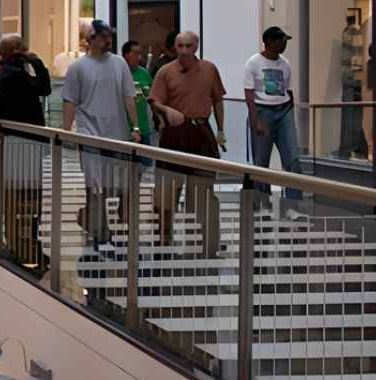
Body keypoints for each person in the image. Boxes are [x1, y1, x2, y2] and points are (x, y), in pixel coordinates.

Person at [61, 20, 140, 249]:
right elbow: (70, 101)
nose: (108, 40)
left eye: (109, 36)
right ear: (91, 40)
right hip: (89, 133)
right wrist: (67, 132)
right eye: (103, 36)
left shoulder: (119, 64)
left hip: (117, 133)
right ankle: (100, 231)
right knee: (94, 185)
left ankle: (101, 225)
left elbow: (129, 96)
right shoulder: (78, 67)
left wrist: (135, 127)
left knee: (113, 185)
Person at [150, 31, 228, 255]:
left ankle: (209, 242)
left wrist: (221, 129)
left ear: (196, 47)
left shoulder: (209, 69)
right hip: (174, 134)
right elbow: (154, 101)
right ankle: (163, 240)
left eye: (189, 46)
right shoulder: (166, 71)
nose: (184, 50)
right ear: (175, 47)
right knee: (166, 190)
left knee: (204, 191)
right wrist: (166, 111)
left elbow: (218, 100)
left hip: (202, 132)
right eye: (180, 46)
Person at [0, 35, 52, 269]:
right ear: (18, 52)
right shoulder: (16, 76)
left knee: (13, 201)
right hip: (26, 149)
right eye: (24, 48)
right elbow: (45, 87)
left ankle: (16, 245)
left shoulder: (3, 77)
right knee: (28, 199)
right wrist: (37, 62)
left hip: (11, 149)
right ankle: (23, 247)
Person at [244, 26, 299, 198]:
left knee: (293, 159)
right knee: (261, 162)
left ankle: (293, 203)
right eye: (281, 40)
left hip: (283, 111)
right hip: (262, 111)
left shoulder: (285, 63)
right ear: (269, 42)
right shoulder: (253, 62)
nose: (284, 44)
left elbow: (289, 91)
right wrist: (256, 120)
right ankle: (262, 201)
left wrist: (290, 113)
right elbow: (249, 93)